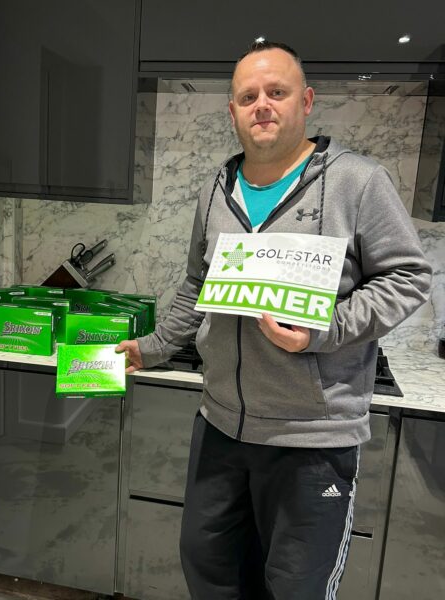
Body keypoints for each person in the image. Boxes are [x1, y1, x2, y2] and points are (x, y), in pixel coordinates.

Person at [116, 41, 432, 600]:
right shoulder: (217, 188)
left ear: (305, 102)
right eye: (248, 97)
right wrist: (155, 346)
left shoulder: (358, 181)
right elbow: (198, 283)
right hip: (220, 426)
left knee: (296, 588)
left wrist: (324, 329)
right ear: (232, 112)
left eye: (276, 92)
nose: (262, 104)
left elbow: (408, 277)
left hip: (313, 438)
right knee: (209, 571)